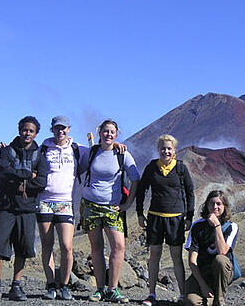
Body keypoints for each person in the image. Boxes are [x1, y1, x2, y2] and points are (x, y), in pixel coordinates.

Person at [0, 116, 48, 302]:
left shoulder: (40, 156)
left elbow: (42, 182)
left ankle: (16, 286)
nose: (27, 133)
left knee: (23, 247)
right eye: (24, 129)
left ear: (36, 133)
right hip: (6, 206)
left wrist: (18, 179)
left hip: (27, 209)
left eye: (31, 130)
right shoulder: (6, 151)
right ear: (19, 129)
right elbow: (2, 172)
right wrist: (28, 175)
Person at [80, 119, 140, 303]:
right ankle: (99, 289)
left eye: (112, 132)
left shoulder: (123, 154)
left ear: (117, 134)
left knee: (118, 246)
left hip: (112, 208)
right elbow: (76, 165)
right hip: (90, 205)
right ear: (99, 133)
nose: (108, 134)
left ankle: (113, 289)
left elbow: (136, 179)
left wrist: (127, 205)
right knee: (96, 247)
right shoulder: (91, 152)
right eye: (105, 131)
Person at [136, 134, 195, 306]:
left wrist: (189, 217)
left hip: (175, 219)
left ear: (174, 151)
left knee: (176, 257)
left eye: (169, 148)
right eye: (163, 148)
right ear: (158, 150)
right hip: (155, 217)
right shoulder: (152, 167)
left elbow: (190, 192)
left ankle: (182, 295)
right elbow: (141, 190)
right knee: (154, 256)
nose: (166, 151)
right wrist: (140, 213)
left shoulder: (181, 169)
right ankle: (152, 294)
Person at [36, 115, 89, 300]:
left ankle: (64, 286)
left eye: (64, 128)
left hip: (66, 202)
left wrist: (116, 146)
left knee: (67, 247)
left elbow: (99, 152)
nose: (61, 131)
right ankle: (51, 285)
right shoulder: (43, 148)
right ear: (52, 129)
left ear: (69, 129)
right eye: (57, 128)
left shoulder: (77, 149)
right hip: (44, 201)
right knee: (47, 246)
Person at [185, 190, 239, 306]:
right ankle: (210, 298)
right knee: (191, 301)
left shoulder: (231, 227)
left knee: (220, 260)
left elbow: (222, 251)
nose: (215, 207)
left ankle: (219, 301)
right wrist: (203, 286)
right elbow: (192, 261)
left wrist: (217, 226)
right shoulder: (197, 226)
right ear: (207, 206)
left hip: (222, 271)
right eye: (212, 203)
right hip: (203, 271)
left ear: (224, 206)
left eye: (219, 204)